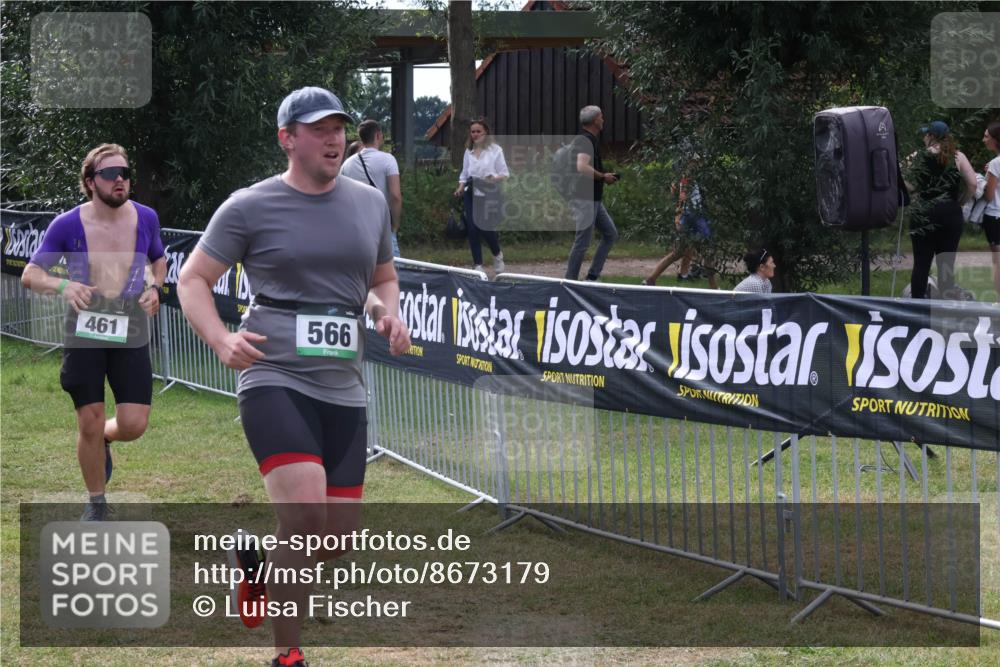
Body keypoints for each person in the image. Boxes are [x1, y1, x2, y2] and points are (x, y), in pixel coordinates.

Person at [177, 86, 410, 667]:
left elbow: (382, 278)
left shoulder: (369, 203)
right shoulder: (249, 206)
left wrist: (386, 311)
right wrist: (220, 337)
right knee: (305, 519)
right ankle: (289, 657)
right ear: (288, 138)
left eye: (339, 128)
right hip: (273, 374)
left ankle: (257, 567)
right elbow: (192, 279)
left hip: (345, 385)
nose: (333, 139)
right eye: (319, 129)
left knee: (333, 540)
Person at [21, 143, 166, 522]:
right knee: (89, 417)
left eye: (125, 173)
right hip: (86, 326)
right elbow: (30, 275)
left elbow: (158, 261)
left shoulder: (146, 217)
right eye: (110, 174)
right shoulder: (68, 224)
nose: (120, 180)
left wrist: (155, 288)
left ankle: (105, 437)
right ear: (90, 182)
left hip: (130, 324)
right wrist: (64, 286)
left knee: (134, 424)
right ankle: (97, 502)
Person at [904, 121, 976, 299]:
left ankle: (916, 310)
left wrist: (914, 192)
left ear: (931, 136)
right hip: (950, 212)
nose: (923, 138)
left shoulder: (917, 156)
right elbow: (973, 184)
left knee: (921, 264)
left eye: (925, 134)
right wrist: (960, 201)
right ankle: (946, 311)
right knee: (946, 265)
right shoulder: (958, 156)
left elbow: (906, 184)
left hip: (924, 211)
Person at [564, 105, 620, 281]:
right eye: (601, 117)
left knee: (610, 234)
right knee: (582, 242)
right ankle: (569, 282)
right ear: (596, 120)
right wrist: (603, 177)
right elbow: (582, 166)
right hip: (584, 198)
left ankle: (592, 276)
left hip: (593, 198)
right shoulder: (585, 140)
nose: (603, 120)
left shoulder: (588, 139)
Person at [642, 173, 718, 288]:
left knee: (679, 252)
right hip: (692, 217)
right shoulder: (687, 176)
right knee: (704, 251)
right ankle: (713, 287)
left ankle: (651, 279)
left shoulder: (695, 177)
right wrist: (678, 216)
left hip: (695, 216)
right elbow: (682, 197)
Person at [340, 120, 403, 257]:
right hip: (382, 225)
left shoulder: (347, 164)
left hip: (356, 229)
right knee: (391, 273)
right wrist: (395, 225)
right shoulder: (388, 159)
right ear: (378, 135)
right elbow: (395, 196)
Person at [452, 117, 507, 273]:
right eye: (472, 132)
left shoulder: (496, 150)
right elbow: (464, 174)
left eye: (478, 131)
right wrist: (460, 187)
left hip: (489, 193)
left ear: (486, 132)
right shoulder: (468, 152)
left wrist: (493, 178)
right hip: (471, 193)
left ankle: (497, 254)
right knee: (473, 228)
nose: (475, 134)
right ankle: (478, 265)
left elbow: (504, 174)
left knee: (486, 228)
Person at [981, 121, 1000, 301]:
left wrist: (982, 180)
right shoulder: (994, 164)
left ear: (996, 140)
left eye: (987, 136)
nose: (983, 139)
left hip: (995, 216)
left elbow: (989, 195)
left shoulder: (995, 163)